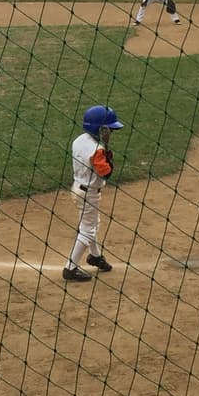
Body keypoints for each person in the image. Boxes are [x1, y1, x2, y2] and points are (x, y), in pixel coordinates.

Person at [63, 105, 125, 282]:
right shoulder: (97, 150)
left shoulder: (79, 140)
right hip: (89, 193)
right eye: (108, 130)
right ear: (99, 129)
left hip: (78, 188)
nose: (110, 134)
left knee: (92, 224)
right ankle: (70, 267)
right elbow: (106, 172)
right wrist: (109, 157)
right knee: (88, 230)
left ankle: (95, 256)